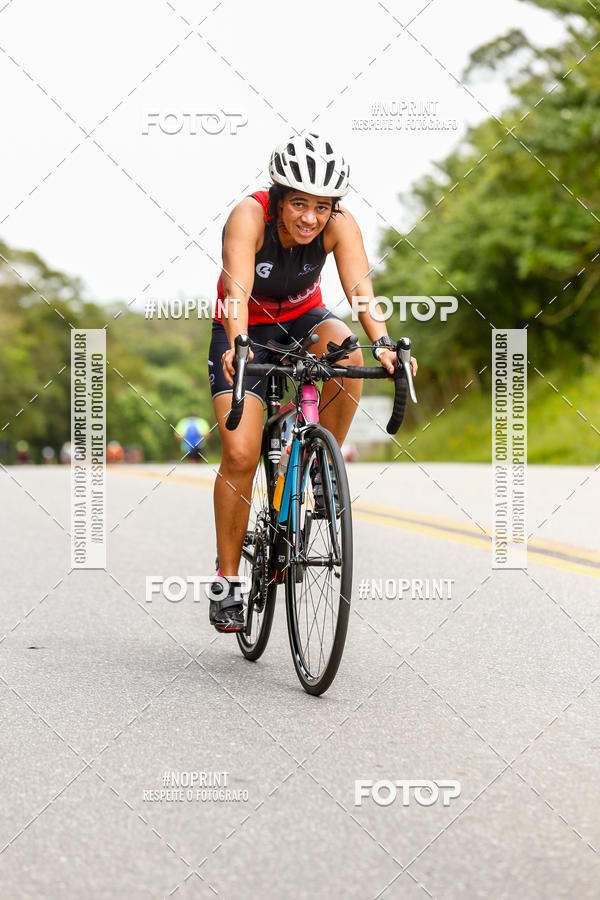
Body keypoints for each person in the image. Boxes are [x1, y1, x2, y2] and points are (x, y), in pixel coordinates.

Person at [208, 133, 418, 633]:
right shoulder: (249, 216)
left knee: (346, 348)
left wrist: (385, 344)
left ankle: (321, 466)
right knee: (240, 453)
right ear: (279, 198)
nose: (309, 217)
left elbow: (360, 291)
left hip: (304, 321)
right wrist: (238, 342)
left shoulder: (340, 226)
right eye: (299, 203)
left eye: (321, 207)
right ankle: (229, 581)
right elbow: (236, 288)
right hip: (243, 329)